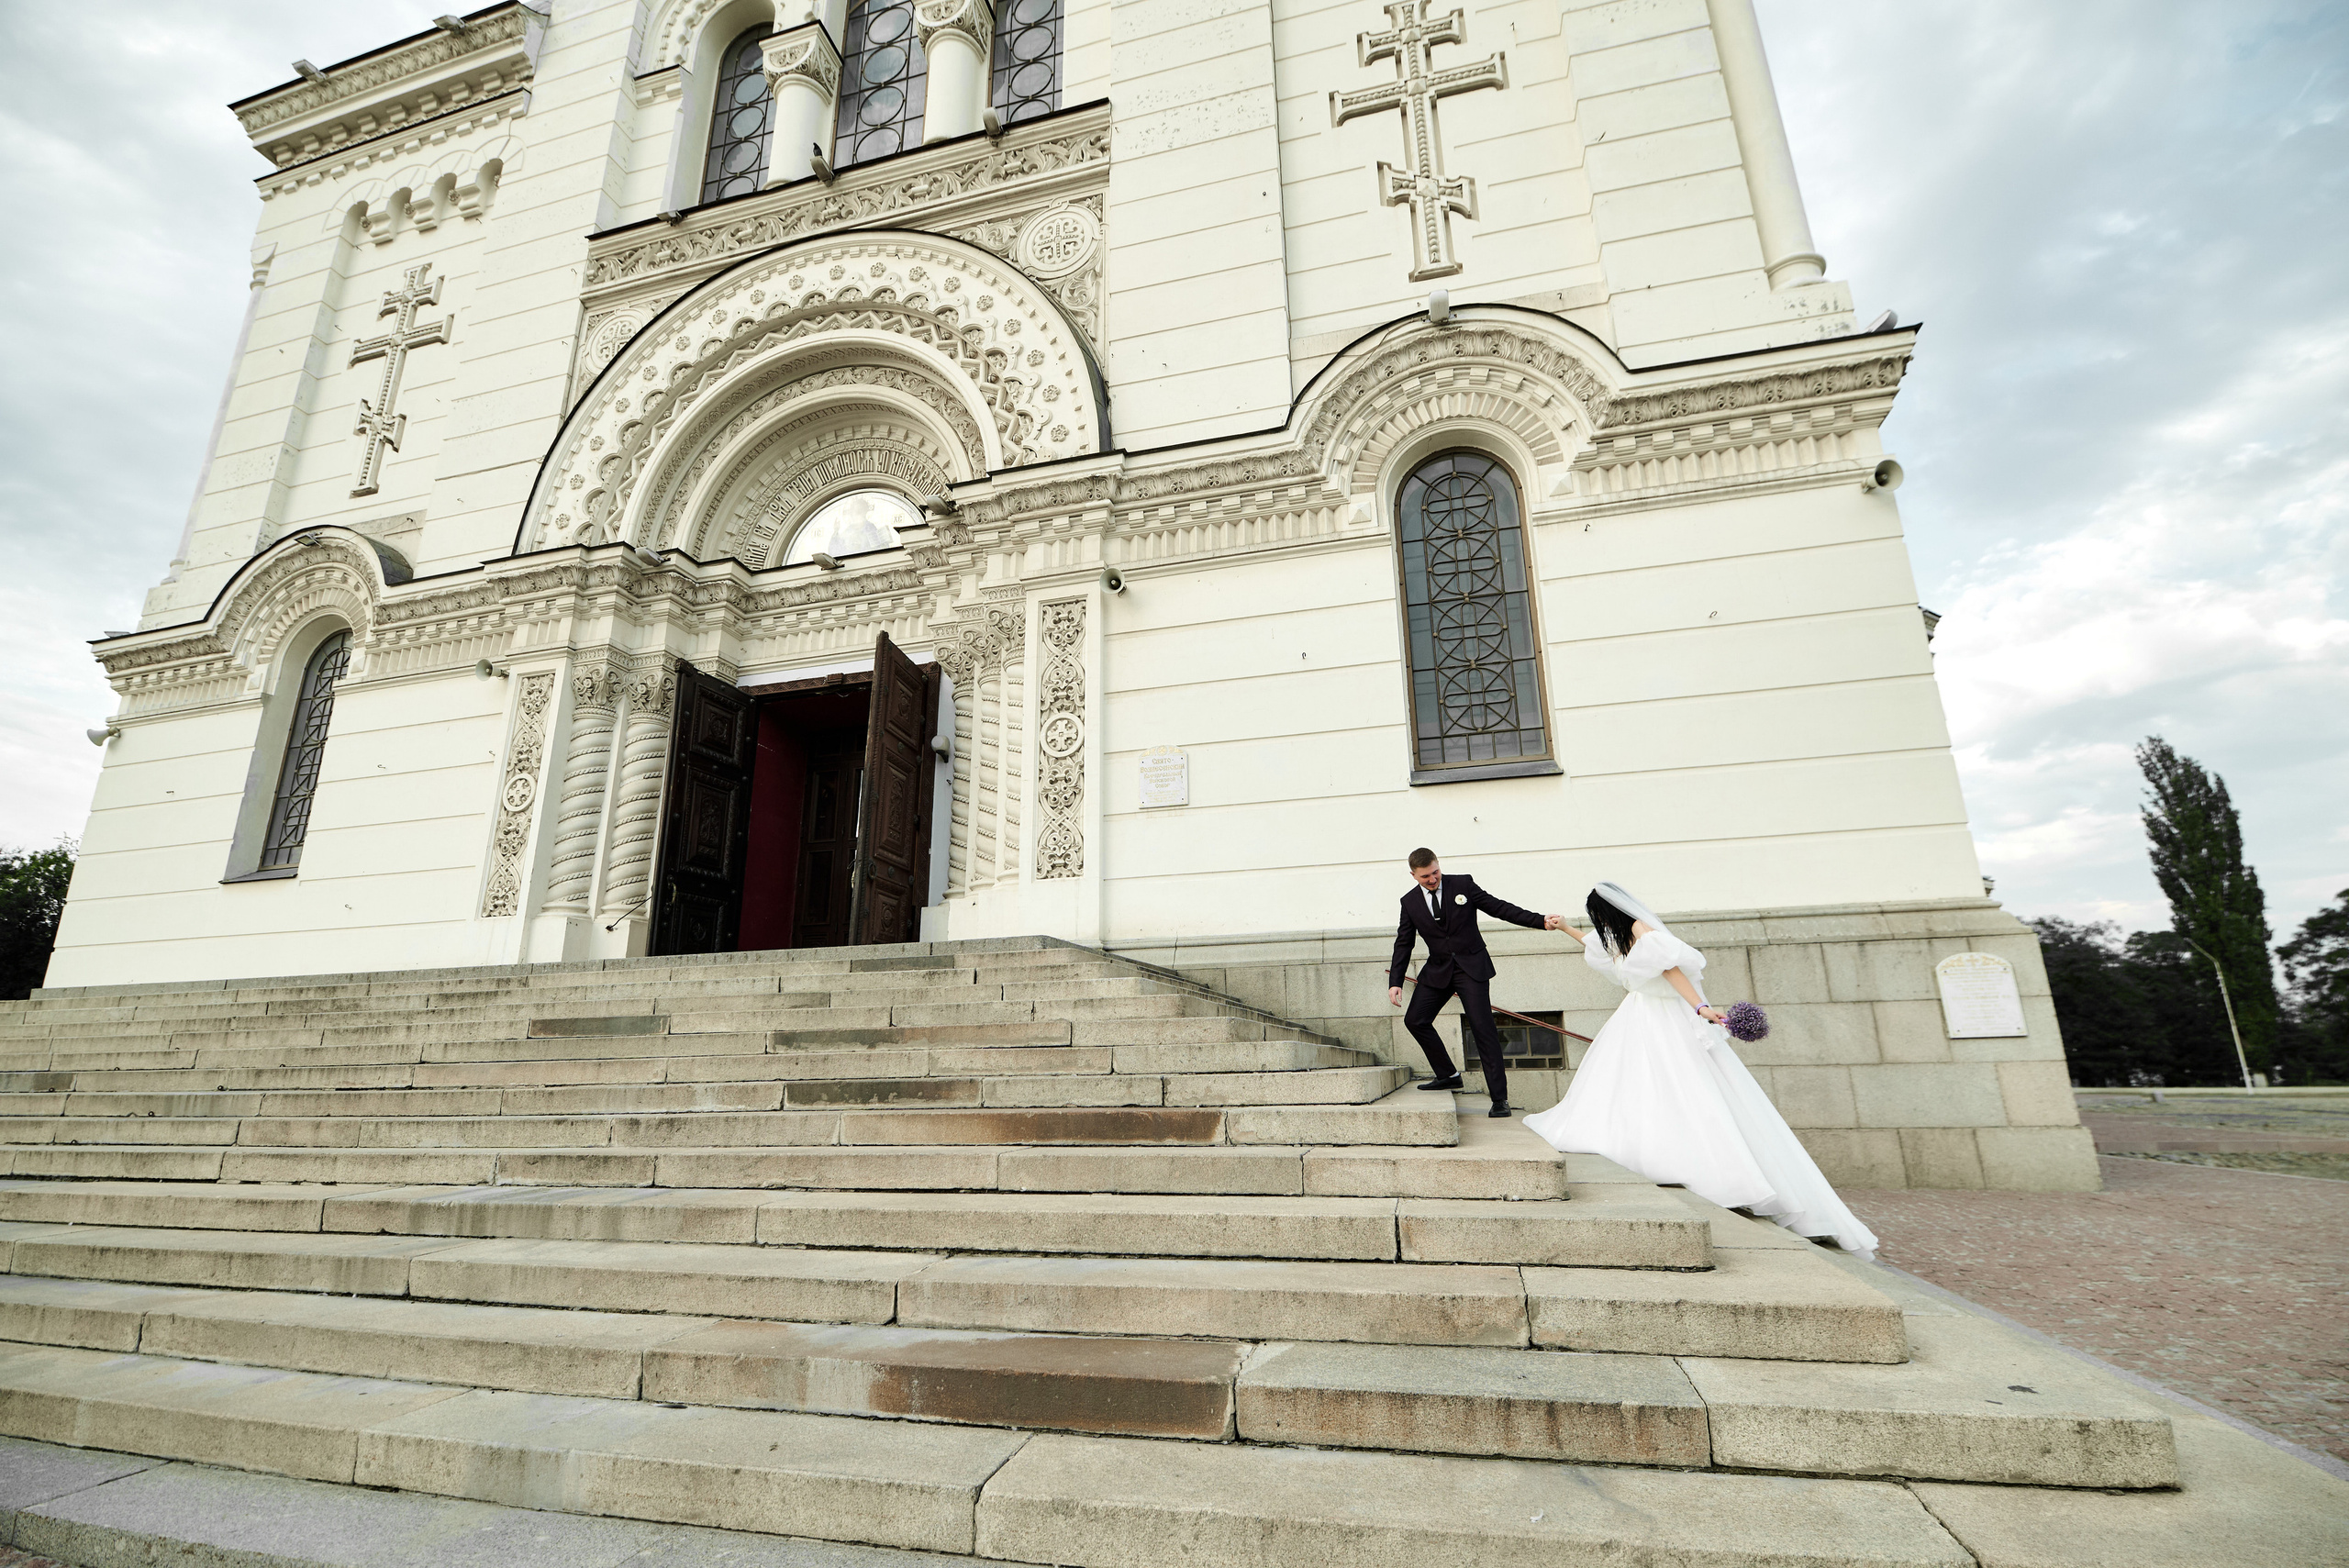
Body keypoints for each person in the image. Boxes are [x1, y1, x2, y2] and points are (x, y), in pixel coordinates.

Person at [1521, 881, 1879, 1259]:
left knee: (1678, 1083)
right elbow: (1594, 945)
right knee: (1644, 1083)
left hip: (1662, 1016)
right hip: (1641, 1015)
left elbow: (1672, 970)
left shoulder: (1643, 931)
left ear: (1609, 913)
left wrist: (1700, 1008)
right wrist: (1565, 929)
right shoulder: (1618, 938)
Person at [1386, 848, 1553, 1118]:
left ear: (1439, 866)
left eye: (1435, 872)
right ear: (1413, 875)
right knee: (1415, 1019)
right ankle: (1448, 1074)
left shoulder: (1462, 884)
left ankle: (1500, 1100)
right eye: (1425, 876)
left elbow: (1499, 907)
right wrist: (1396, 981)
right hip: (1439, 970)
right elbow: (1404, 942)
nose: (1433, 879)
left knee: (1483, 1030)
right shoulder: (1409, 902)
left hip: (1471, 968)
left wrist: (1540, 921)